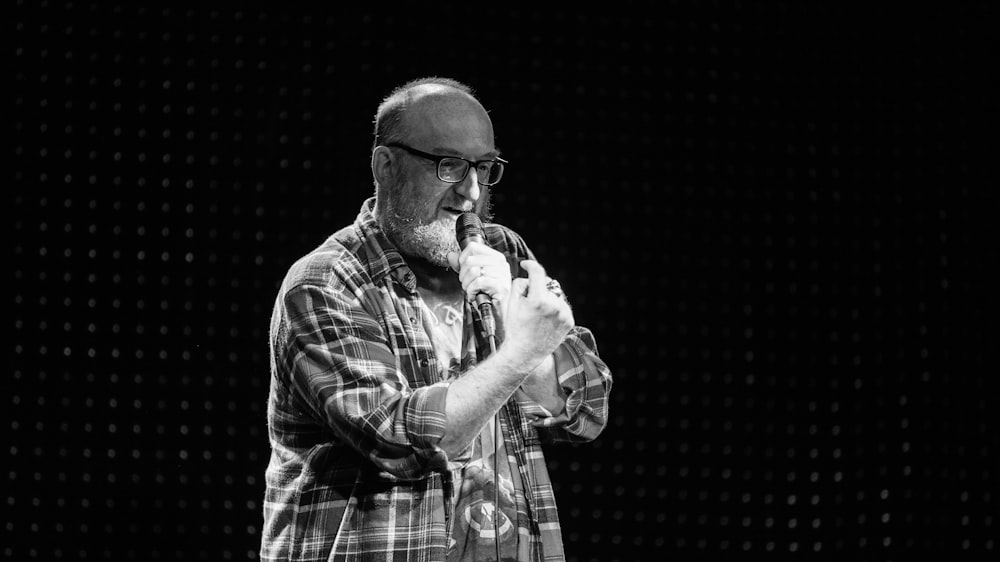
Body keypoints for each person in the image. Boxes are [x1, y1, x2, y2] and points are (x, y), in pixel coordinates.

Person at [261, 76, 613, 561]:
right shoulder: (327, 282)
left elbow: (587, 407)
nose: (470, 192)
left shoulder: (504, 251)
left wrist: (519, 331)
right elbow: (402, 441)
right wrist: (523, 350)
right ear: (386, 166)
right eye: (449, 166)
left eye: (485, 168)